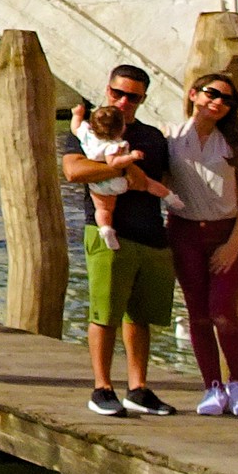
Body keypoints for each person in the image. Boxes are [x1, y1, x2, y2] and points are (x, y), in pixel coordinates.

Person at [59, 61, 178, 417]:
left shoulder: (153, 137)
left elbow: (162, 181)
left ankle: (138, 388)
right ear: (107, 90)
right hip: (108, 233)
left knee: (140, 317)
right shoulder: (91, 129)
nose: (124, 101)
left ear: (142, 100)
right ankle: (102, 387)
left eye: (133, 97)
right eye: (118, 93)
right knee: (104, 313)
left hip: (150, 231)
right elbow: (74, 170)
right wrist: (123, 167)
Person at [166, 72, 238, 416]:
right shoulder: (171, 138)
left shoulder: (235, 146)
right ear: (193, 94)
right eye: (212, 94)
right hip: (185, 232)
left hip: (224, 233)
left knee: (223, 312)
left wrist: (234, 243)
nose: (218, 102)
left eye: (226, 100)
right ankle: (212, 387)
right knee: (198, 315)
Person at [71, 101, 141, 250]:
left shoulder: (88, 137)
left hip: (98, 183)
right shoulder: (115, 145)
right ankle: (168, 195)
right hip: (117, 181)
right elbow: (114, 162)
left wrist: (77, 115)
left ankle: (105, 228)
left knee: (103, 209)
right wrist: (131, 158)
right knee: (146, 184)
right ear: (122, 128)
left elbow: (75, 127)